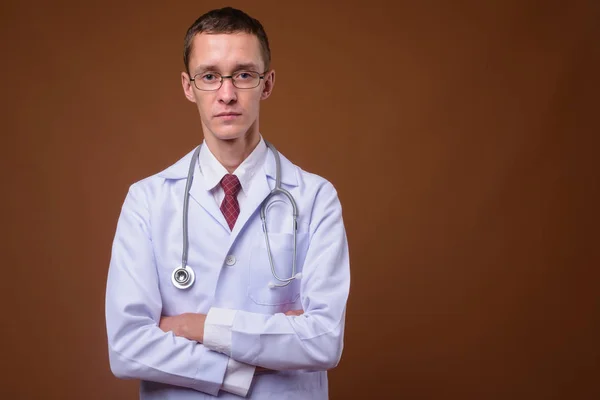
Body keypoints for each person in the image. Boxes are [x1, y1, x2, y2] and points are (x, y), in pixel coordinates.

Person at [105, 6, 350, 399]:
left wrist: (197, 327)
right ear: (189, 86)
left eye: (244, 74)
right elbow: (126, 346)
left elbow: (323, 340)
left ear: (266, 84)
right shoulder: (147, 200)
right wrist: (247, 363)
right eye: (209, 76)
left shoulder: (316, 198)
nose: (227, 93)